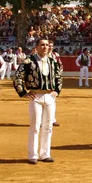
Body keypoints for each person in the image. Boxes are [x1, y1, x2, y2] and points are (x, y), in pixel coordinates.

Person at [13, 37, 62, 165]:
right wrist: (23, 93)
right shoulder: (29, 61)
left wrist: (57, 90)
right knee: (35, 126)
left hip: (49, 97)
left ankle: (45, 154)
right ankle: (33, 155)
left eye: (46, 45)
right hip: (36, 96)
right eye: (42, 45)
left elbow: (58, 77)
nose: (45, 47)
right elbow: (18, 76)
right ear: (36, 47)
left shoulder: (52, 61)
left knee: (48, 127)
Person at [48, 40, 63, 126]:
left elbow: (60, 66)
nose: (50, 47)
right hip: (44, 81)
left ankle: (52, 120)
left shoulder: (56, 55)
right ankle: (43, 120)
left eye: (51, 46)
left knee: (53, 100)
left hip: (53, 80)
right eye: (48, 45)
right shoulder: (41, 56)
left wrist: (58, 76)